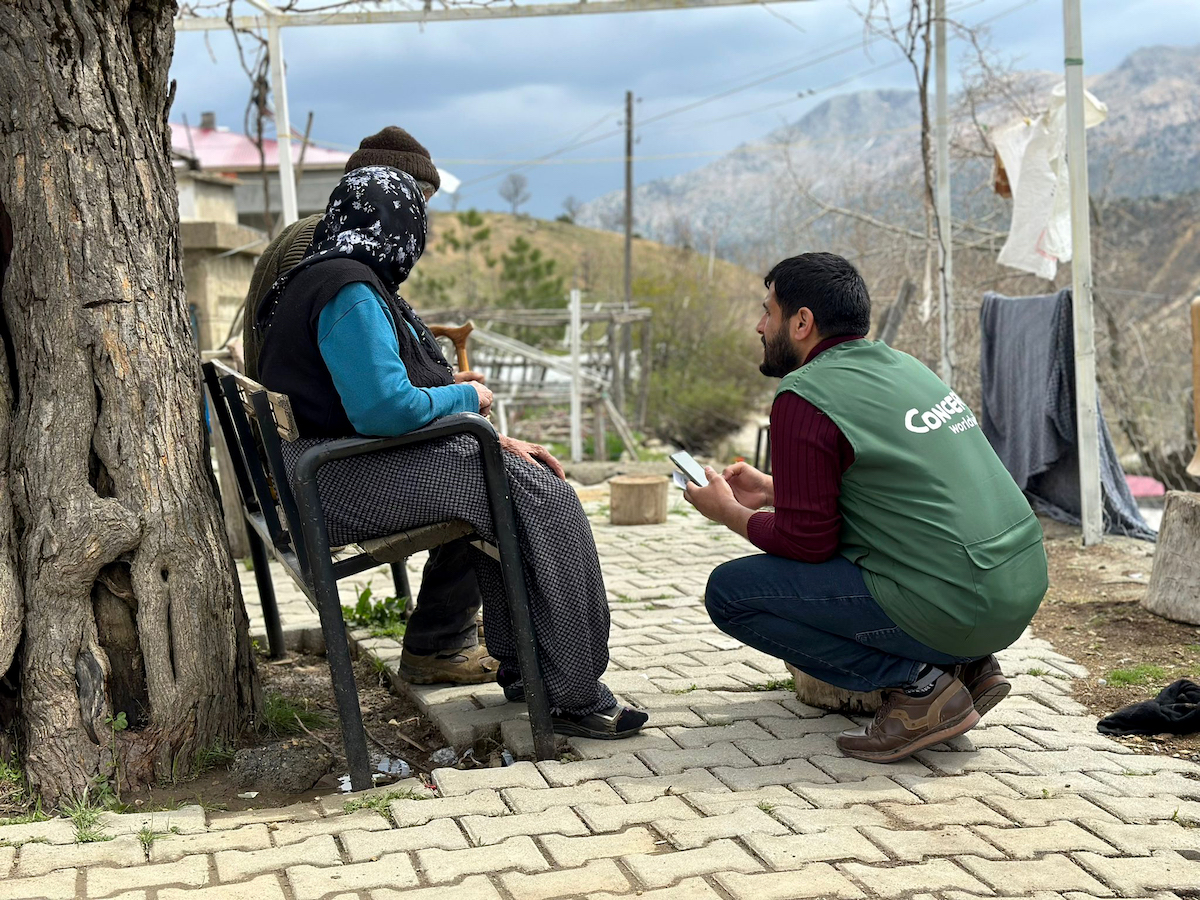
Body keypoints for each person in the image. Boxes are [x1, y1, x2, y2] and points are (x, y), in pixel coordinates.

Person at [256, 166, 648, 739]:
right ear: (399, 227)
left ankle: (533, 669)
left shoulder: (316, 276)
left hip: (319, 471)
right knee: (546, 499)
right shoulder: (349, 290)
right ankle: (571, 691)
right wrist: (470, 394)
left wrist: (486, 434)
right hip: (334, 483)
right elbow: (383, 410)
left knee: (512, 481)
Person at [684, 252, 1048, 762]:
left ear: (802, 321)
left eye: (768, 311)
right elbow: (895, 490)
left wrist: (728, 512)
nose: (759, 326)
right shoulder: (903, 367)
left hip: (954, 605)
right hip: (1014, 591)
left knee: (731, 593)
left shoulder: (804, 395)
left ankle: (918, 687)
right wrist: (773, 489)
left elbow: (806, 544)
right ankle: (967, 667)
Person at [244, 127, 493, 688]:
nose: (420, 217)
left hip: (290, 428)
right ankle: (442, 638)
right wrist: (448, 392)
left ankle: (451, 631)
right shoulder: (332, 254)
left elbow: (366, 341)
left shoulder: (330, 236)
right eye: (418, 202)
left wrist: (435, 380)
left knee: (472, 447)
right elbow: (355, 351)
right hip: (316, 447)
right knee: (487, 476)